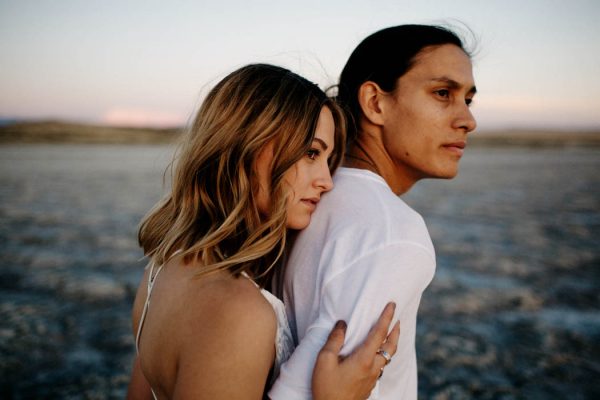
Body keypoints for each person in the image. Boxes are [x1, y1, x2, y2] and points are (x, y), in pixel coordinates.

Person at [125, 63, 400, 400]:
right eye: (311, 153)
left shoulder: (160, 270)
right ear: (246, 148)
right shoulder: (238, 312)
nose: (326, 181)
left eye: (328, 160)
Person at [269, 24, 477, 399]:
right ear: (375, 103)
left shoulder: (304, 197)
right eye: (443, 93)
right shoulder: (392, 233)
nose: (468, 120)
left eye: (468, 100)